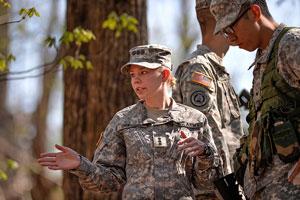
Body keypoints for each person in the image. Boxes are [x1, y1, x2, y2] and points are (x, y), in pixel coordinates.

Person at [38, 44, 221, 200]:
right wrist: (81, 165)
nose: (136, 80)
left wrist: (205, 154)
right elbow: (109, 182)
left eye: (143, 72)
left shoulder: (195, 120)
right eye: (133, 75)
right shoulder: (123, 121)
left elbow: (206, 183)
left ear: (165, 74)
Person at [210, 0, 300, 199]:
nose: (230, 40)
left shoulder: (291, 44)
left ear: (254, 12)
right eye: (225, 33)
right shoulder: (263, 59)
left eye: (231, 28)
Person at [173, 0, 244, 181]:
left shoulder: (216, 69)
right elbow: (208, 133)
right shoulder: (199, 68)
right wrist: (229, 185)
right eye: (233, 17)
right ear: (220, 19)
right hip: (214, 187)